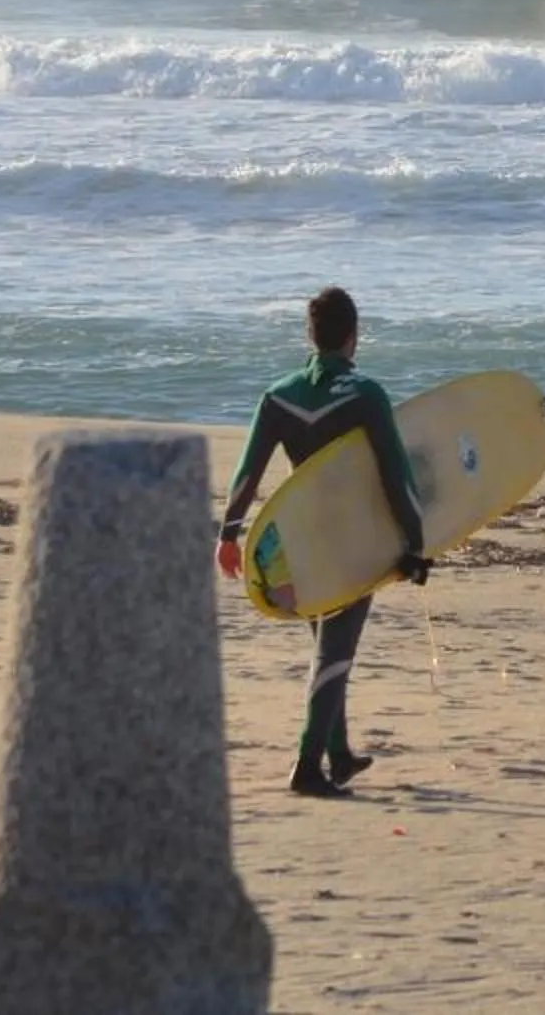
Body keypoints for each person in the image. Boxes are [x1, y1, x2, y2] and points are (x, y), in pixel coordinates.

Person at [215, 285, 430, 798]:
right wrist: (416, 542)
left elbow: (248, 472)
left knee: (326, 642)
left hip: (297, 540)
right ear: (354, 336)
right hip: (352, 542)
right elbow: (396, 475)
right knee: (336, 650)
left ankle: (339, 753)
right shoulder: (366, 395)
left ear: (309, 335)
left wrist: (229, 533)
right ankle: (308, 767)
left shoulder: (278, 395)